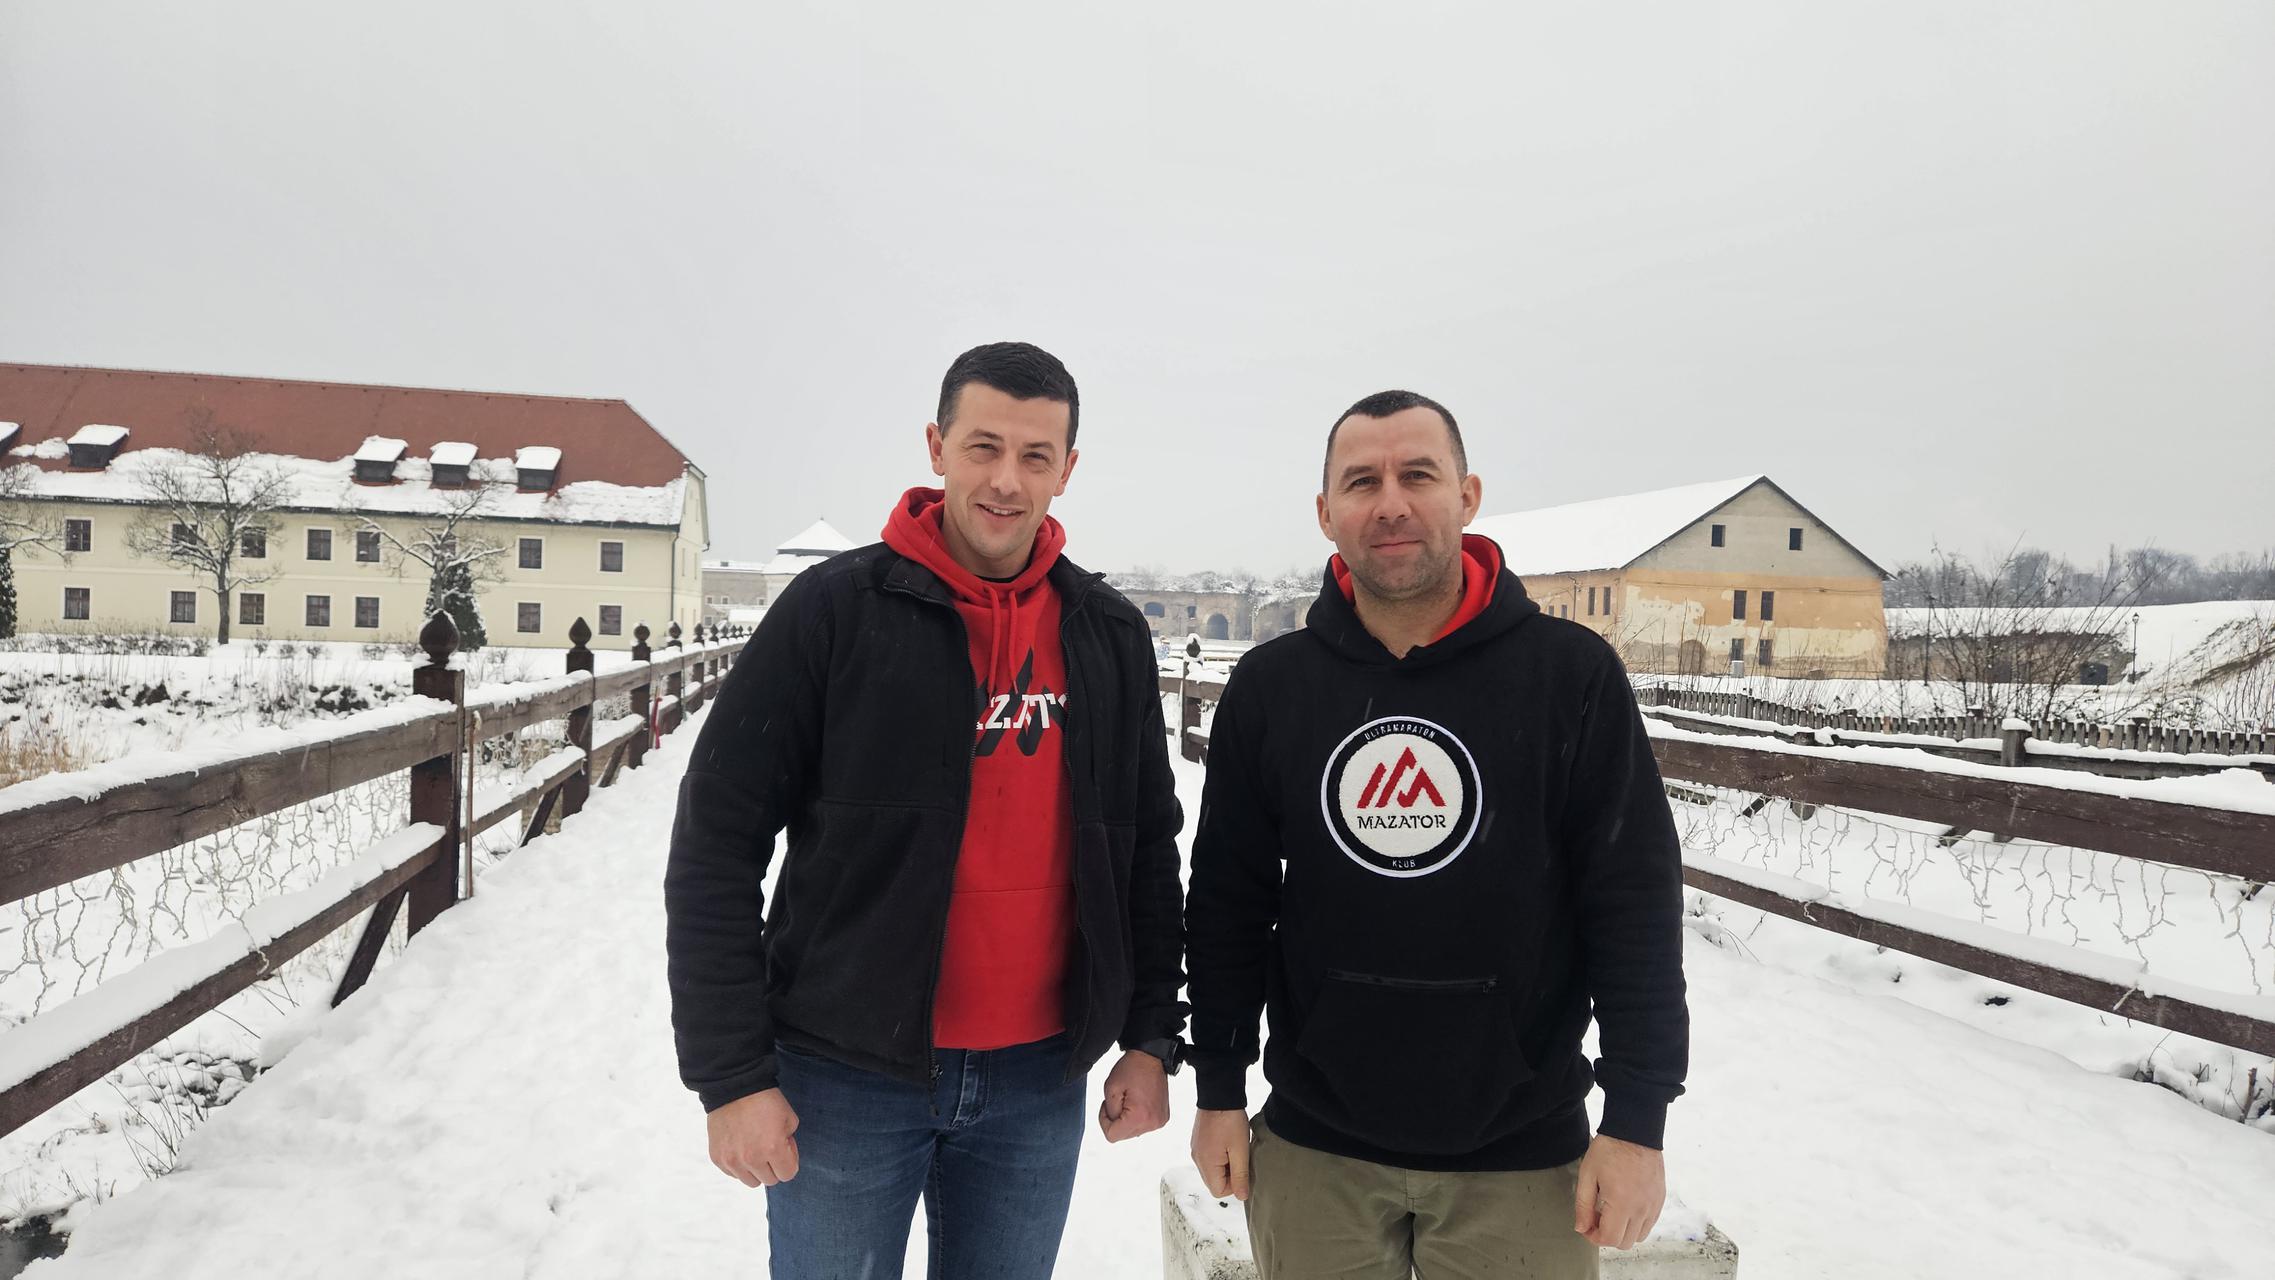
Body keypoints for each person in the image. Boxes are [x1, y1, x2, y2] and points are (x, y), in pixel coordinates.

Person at [665, 341, 1187, 1280]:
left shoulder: (1106, 633)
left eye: (1035, 455)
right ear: (937, 446)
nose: (1006, 480)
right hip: (845, 1075)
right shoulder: (833, 612)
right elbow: (716, 842)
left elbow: (1147, 849)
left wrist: (1151, 1036)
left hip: (1037, 1081)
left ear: (1067, 469)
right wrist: (731, 1076)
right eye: (983, 446)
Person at [1184, 390, 1689, 1279]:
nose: (1390, 503)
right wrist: (1219, 1086)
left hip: (1523, 1152)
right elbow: (1229, 900)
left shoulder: (1568, 676)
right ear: (1325, 512)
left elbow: (1631, 900)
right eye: (1361, 482)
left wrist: (1636, 1120)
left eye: (1417, 475)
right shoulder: (1273, 687)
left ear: (1467, 495)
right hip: (1315, 1147)